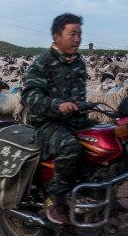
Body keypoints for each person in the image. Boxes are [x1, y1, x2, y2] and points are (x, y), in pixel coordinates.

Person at [21, 12, 97, 225]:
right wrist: (57, 105)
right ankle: (55, 198)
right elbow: (30, 96)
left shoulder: (78, 63)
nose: (77, 39)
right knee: (71, 148)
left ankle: (99, 192)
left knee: (111, 137)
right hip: (49, 123)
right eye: (72, 34)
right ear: (56, 36)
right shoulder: (42, 64)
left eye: (79, 34)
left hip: (77, 120)